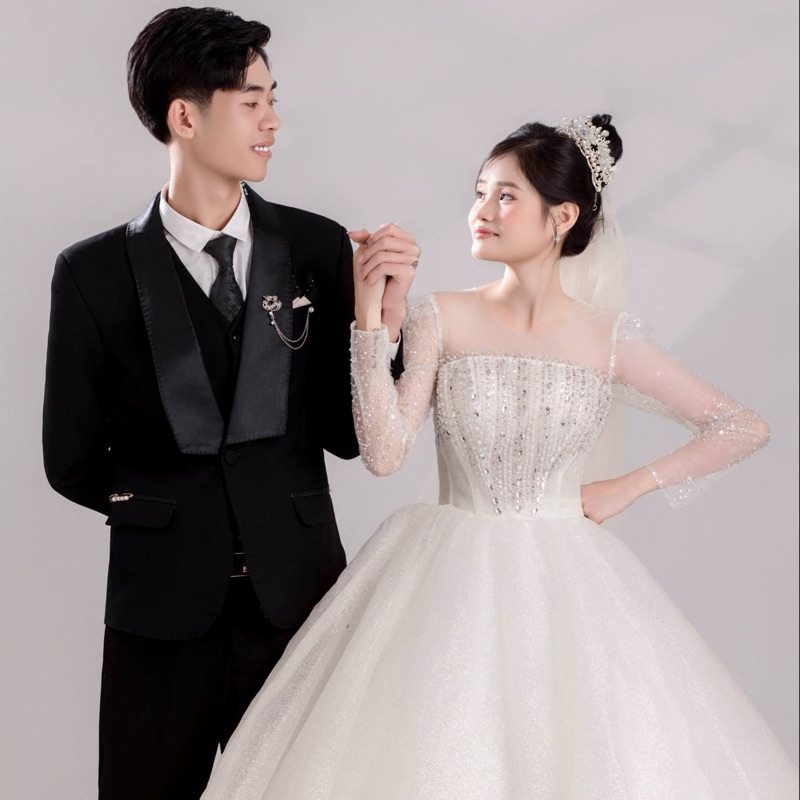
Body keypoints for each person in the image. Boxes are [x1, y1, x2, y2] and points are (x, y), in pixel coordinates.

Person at [201, 114, 798, 798]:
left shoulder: (608, 340)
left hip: (571, 581)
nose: (480, 212)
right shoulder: (440, 315)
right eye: (480, 192)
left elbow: (740, 426)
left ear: (562, 217)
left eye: (505, 196)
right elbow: (384, 454)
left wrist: (628, 486)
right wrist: (370, 319)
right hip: (442, 575)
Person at [41, 7, 419, 799]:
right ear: (185, 117)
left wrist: (380, 322)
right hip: (160, 606)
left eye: (272, 100)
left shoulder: (316, 248)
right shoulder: (92, 273)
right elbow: (69, 459)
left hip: (299, 601)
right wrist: (165, 513)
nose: (272, 121)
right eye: (251, 102)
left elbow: (350, 436)